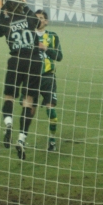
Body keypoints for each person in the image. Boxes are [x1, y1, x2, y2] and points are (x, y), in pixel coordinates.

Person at [0, 0, 42, 160]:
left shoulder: (6, 20)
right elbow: (38, 22)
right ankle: (22, 139)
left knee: (10, 96)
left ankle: (8, 124)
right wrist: (25, 5)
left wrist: (2, 10)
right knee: (28, 100)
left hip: (16, 60)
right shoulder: (28, 16)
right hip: (34, 60)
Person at [34, 10, 63, 151]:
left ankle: (52, 140)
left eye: (41, 18)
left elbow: (59, 56)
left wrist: (46, 48)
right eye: (36, 18)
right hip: (31, 78)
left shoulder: (52, 36)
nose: (38, 20)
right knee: (28, 110)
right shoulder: (28, 35)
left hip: (48, 77)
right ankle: (22, 139)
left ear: (46, 21)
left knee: (51, 112)